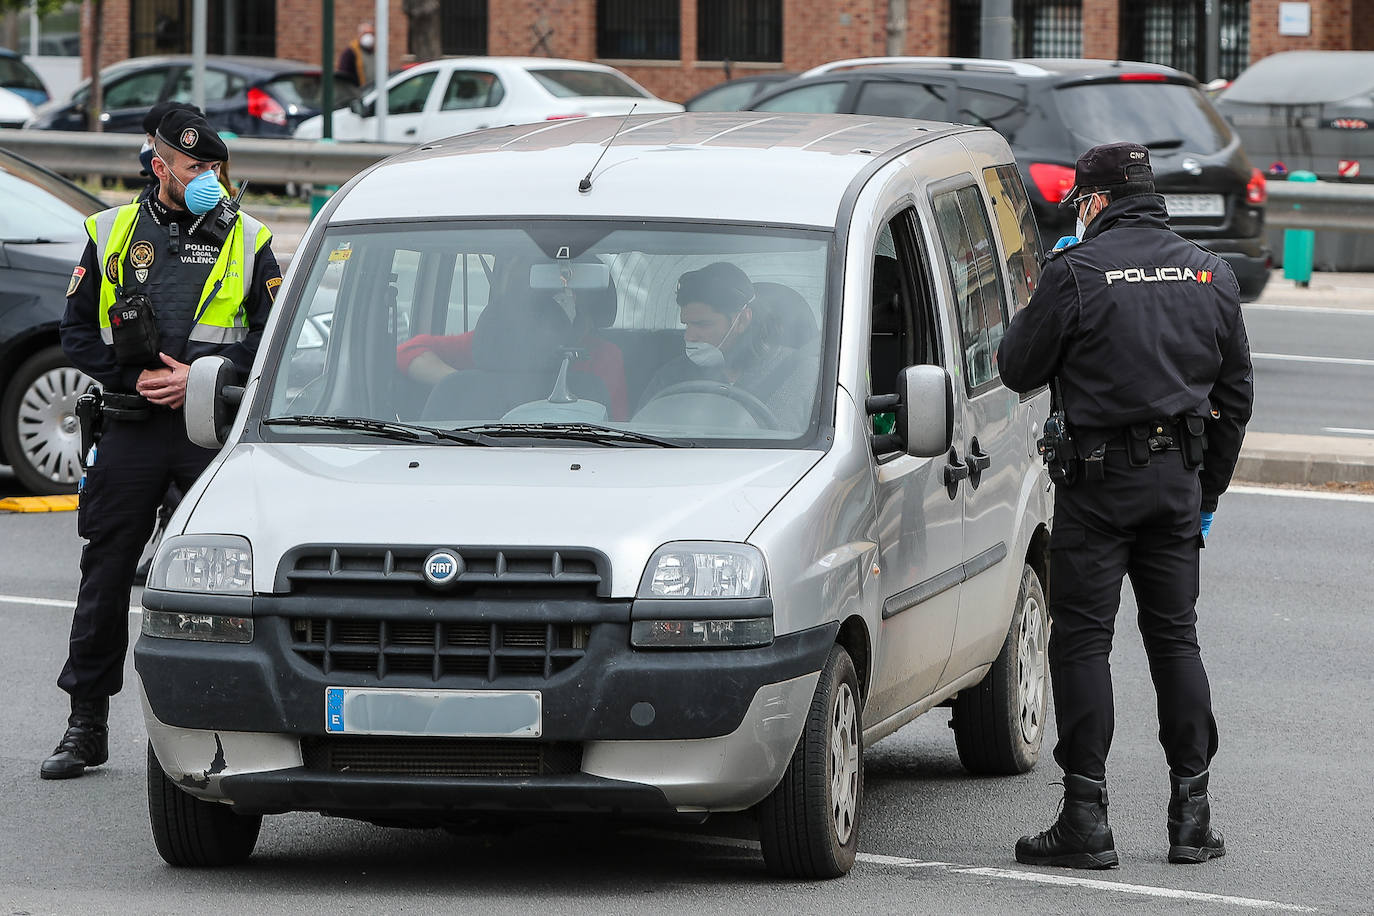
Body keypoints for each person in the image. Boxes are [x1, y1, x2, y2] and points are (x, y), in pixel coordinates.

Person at [997, 142, 1253, 868]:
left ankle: (1086, 818)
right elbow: (1235, 398)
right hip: (1177, 484)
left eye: (1081, 202)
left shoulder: (1076, 271)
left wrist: (1052, 284)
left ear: (1096, 201)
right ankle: (1191, 817)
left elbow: (1017, 367)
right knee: (1176, 641)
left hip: (1098, 487)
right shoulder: (1212, 273)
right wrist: (1207, 492)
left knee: (1083, 642)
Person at [42, 110, 282, 780]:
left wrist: (204, 379)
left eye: (213, 168)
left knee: (219, 587)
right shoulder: (111, 231)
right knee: (106, 574)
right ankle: (85, 724)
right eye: (194, 168)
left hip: (208, 433)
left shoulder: (249, 237)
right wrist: (139, 376)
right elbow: (77, 333)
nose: (207, 179)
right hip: (131, 428)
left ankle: (222, 728)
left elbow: (272, 339)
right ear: (160, 167)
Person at [638, 262, 815, 428]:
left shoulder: (803, 375)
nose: (689, 336)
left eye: (703, 325)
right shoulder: (671, 377)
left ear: (742, 320)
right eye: (686, 324)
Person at [335, 20, 376, 88]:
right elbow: (344, 76)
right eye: (365, 33)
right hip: (358, 93)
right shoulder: (350, 53)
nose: (369, 37)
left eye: (371, 34)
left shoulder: (375, 54)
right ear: (359, 34)